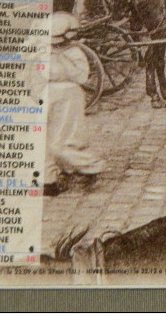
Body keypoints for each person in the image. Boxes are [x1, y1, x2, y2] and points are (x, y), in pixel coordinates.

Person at [43, 12, 107, 196]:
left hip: (68, 96)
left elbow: (81, 76)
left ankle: (91, 165)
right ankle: (48, 180)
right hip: (45, 95)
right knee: (43, 140)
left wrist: (62, 60)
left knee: (61, 141)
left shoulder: (74, 53)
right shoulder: (40, 51)